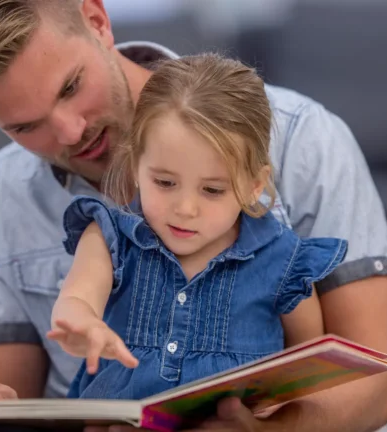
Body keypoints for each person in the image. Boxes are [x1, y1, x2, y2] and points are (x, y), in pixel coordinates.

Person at [0, 1, 387, 431]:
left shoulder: (305, 140)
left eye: (70, 87)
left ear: (96, 18)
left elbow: (379, 382)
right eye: (25, 126)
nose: (70, 134)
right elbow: (8, 402)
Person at [47, 53, 347, 401]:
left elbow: (306, 364)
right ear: (134, 167)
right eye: (165, 183)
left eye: (212, 190)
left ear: (254, 184)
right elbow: (76, 298)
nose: (186, 209)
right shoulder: (109, 237)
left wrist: (280, 404)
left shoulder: (283, 262)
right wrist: (81, 323)